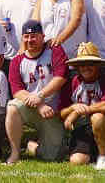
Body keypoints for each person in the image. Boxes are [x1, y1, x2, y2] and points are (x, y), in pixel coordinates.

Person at [5, 20, 68, 164]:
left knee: (52, 157)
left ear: (43, 36)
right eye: (26, 37)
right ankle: (14, 154)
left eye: (34, 36)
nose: (30, 40)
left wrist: (40, 96)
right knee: (13, 107)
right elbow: (17, 91)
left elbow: (61, 77)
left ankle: (31, 145)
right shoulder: (17, 61)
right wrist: (39, 104)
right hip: (32, 107)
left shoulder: (55, 50)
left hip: (53, 111)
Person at [60, 42, 105, 170]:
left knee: (98, 117)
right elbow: (62, 113)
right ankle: (95, 151)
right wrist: (72, 108)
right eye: (82, 64)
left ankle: (103, 156)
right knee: (77, 161)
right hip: (82, 128)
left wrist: (79, 112)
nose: (85, 67)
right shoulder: (71, 82)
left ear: (98, 65)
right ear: (77, 66)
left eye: (90, 63)